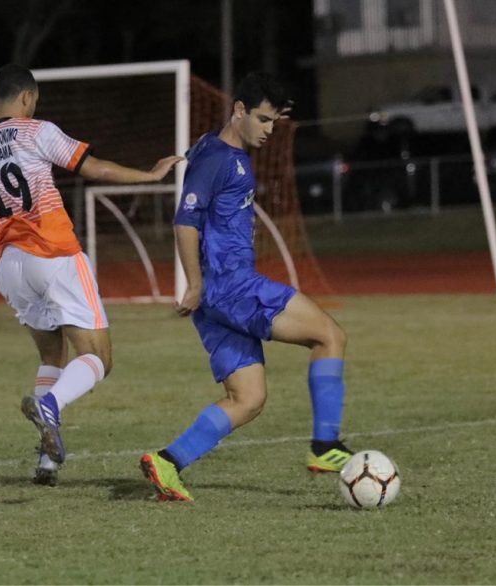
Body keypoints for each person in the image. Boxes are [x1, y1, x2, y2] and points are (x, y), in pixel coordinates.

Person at [0, 63, 182, 486]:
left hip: (9, 267)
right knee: (98, 358)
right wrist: (150, 174)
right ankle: (48, 406)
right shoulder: (36, 131)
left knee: (52, 357)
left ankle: (46, 461)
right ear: (27, 97)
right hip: (52, 253)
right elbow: (94, 168)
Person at [140, 72, 353, 502]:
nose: (269, 130)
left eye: (275, 122)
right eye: (263, 119)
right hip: (233, 288)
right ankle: (325, 446)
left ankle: (168, 461)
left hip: (215, 302)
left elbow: (198, 161)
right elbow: (185, 221)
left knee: (248, 398)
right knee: (330, 336)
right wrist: (194, 283)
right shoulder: (222, 158)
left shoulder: (210, 146)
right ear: (239, 110)